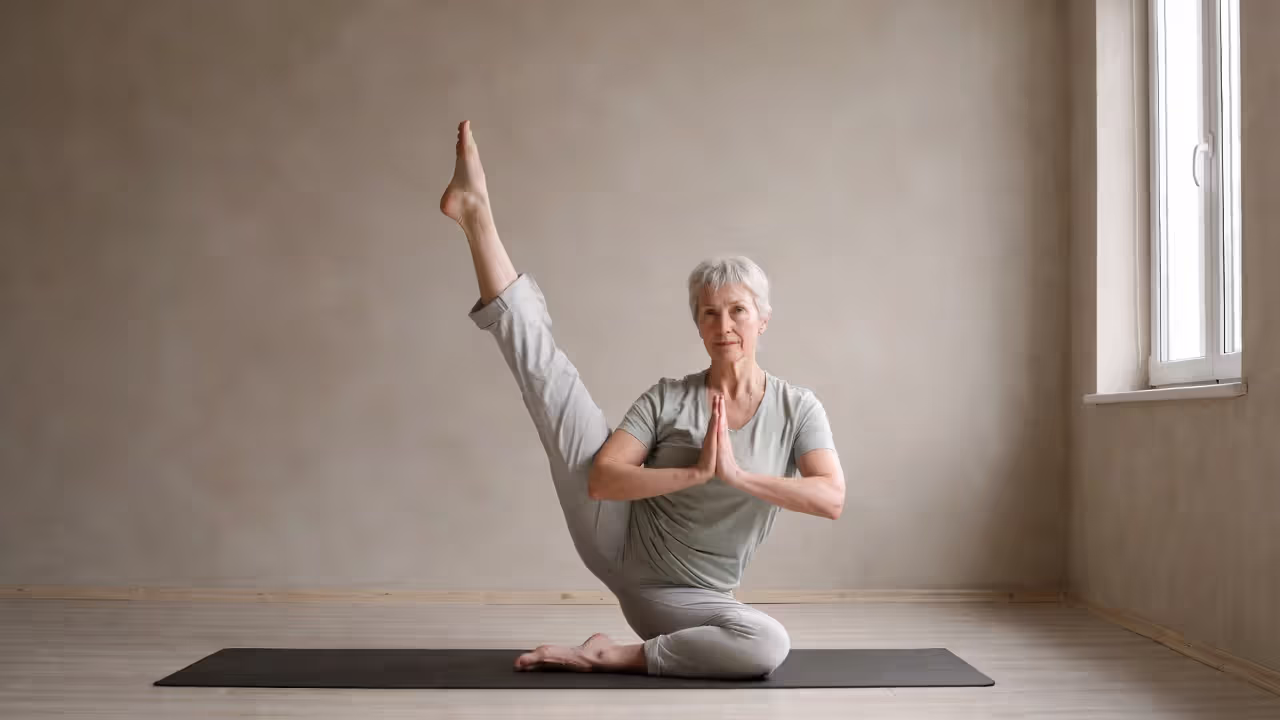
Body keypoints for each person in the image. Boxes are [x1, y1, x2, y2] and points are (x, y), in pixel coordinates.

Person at [439, 120, 846, 679]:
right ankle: (475, 213)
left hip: (681, 597)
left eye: (738, 310)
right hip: (615, 533)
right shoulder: (669, 398)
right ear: (697, 326)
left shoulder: (798, 409)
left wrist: (736, 476)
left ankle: (611, 654)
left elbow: (830, 498)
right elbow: (603, 480)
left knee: (766, 644)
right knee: (547, 375)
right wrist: (695, 474)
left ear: (763, 320)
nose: (723, 324)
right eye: (709, 312)